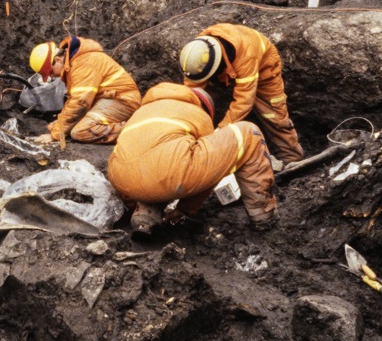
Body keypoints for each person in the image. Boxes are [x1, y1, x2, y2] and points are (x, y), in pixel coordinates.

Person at [107, 82, 278, 235]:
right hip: (168, 174)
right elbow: (207, 168)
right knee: (248, 133)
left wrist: (130, 202)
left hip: (121, 180)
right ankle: (263, 216)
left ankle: (144, 215)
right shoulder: (197, 113)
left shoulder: (143, 111)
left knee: (155, 163)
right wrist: (186, 210)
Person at [179, 23, 304, 168]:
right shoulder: (198, 56)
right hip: (229, 69)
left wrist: (221, 131)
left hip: (264, 68)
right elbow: (191, 91)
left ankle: (293, 159)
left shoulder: (246, 56)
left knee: (274, 115)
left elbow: (244, 102)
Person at [29, 35, 142, 145]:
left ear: (58, 60)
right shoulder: (76, 62)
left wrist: (56, 134)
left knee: (80, 132)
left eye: (51, 72)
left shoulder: (83, 64)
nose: (52, 76)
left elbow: (80, 103)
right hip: (110, 98)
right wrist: (57, 126)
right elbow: (75, 101)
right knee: (75, 124)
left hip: (122, 101)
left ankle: (138, 130)